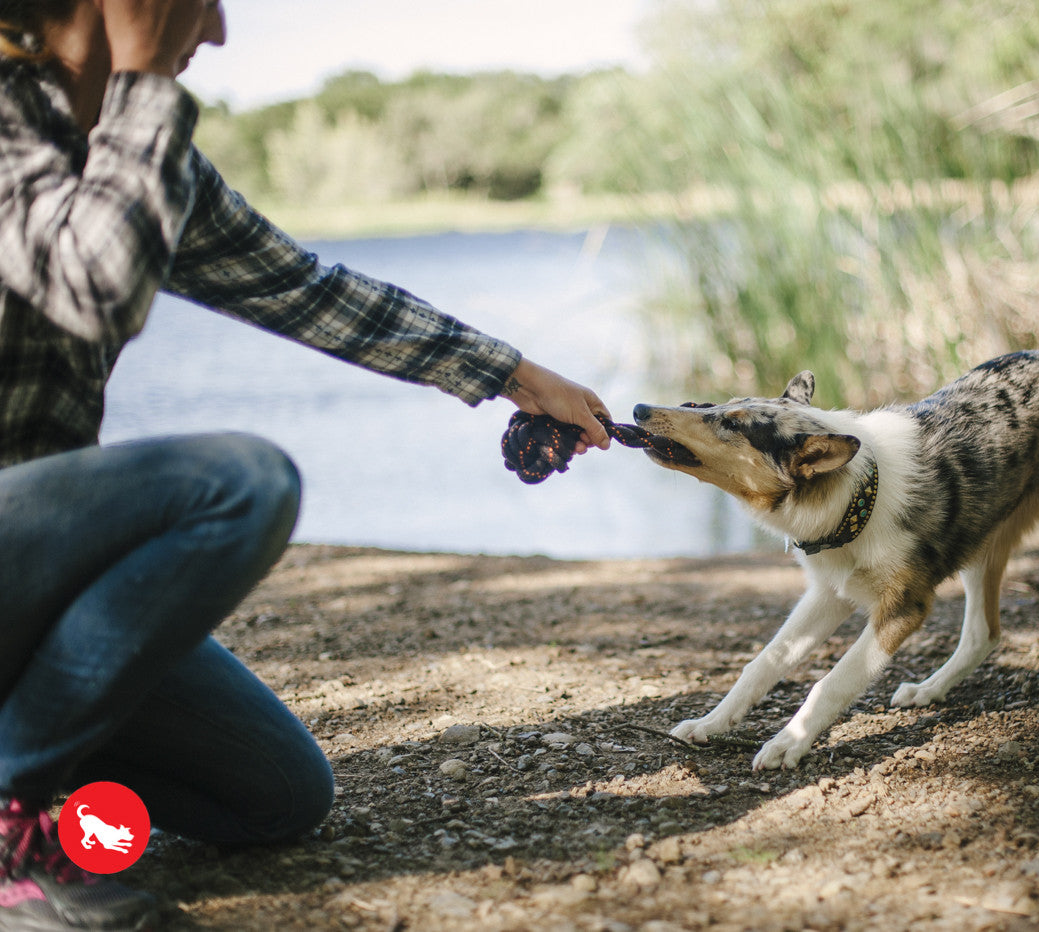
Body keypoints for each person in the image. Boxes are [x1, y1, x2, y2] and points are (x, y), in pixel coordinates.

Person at [0, 1, 613, 929]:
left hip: (26, 587)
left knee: (274, 795)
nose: (212, 35)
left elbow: (302, 287)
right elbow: (88, 287)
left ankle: (42, 793)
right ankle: (16, 822)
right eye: (196, 4)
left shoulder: (133, 147)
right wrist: (144, 87)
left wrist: (517, 376)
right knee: (237, 485)